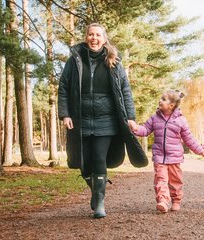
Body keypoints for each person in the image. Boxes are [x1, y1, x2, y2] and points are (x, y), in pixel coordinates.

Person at [58, 23, 147, 218]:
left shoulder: (113, 60)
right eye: (91, 34)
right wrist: (65, 114)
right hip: (80, 118)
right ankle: (95, 189)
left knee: (99, 158)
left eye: (98, 35)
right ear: (86, 37)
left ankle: (99, 201)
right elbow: (64, 86)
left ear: (104, 39)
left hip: (106, 119)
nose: (94, 38)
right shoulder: (75, 60)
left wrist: (130, 118)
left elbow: (125, 90)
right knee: (83, 162)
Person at [129, 90, 204, 213]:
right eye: (161, 98)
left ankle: (176, 200)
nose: (160, 100)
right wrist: (136, 128)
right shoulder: (155, 118)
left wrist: (200, 151)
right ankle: (163, 201)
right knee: (160, 179)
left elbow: (189, 139)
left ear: (171, 105)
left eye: (164, 99)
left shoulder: (181, 121)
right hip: (159, 156)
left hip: (174, 157)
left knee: (175, 180)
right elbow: (146, 130)